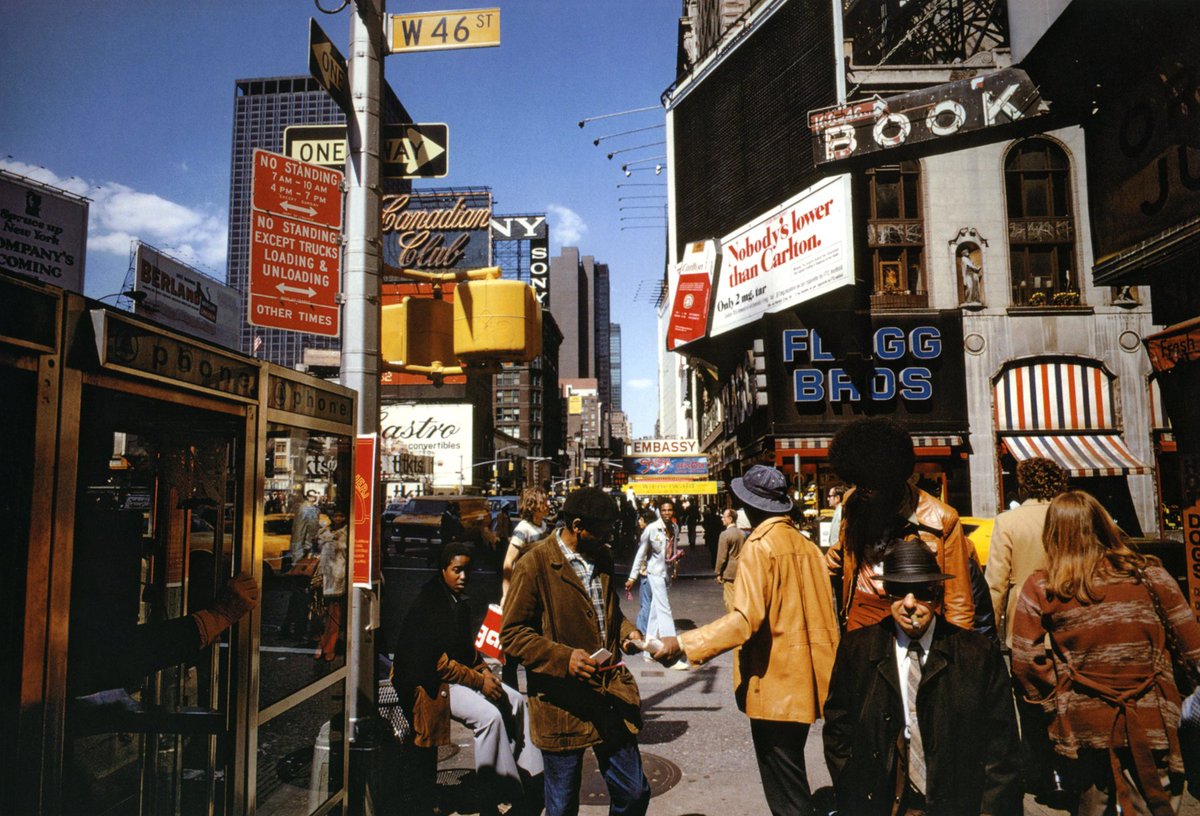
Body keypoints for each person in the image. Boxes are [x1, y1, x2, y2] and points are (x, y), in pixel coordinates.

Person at [652, 465, 840, 816]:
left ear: (751, 507)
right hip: (809, 681)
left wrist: (684, 644)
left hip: (774, 685)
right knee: (792, 775)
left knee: (786, 793)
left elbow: (744, 620)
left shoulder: (759, 546)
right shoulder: (808, 546)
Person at [1012, 491, 1200, 816]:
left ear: (1053, 534)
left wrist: (1052, 703)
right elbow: (1193, 646)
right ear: (1103, 525)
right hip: (1153, 714)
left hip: (1082, 724)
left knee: (1091, 806)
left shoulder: (1044, 586)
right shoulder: (1150, 575)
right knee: (1156, 804)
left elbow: (1026, 661)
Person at [823, 538, 1022, 815]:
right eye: (898, 591)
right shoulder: (857, 649)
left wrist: (988, 810)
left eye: (921, 592)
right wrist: (853, 790)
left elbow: (1002, 747)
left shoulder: (977, 655)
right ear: (887, 592)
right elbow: (838, 729)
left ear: (937, 593)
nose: (909, 604)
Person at [501, 487, 650, 816]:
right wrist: (564, 658)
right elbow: (511, 634)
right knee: (561, 805)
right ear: (578, 525)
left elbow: (611, 613)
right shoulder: (534, 564)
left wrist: (628, 635)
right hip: (562, 704)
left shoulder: (604, 557)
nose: (609, 536)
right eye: (603, 530)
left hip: (608, 695)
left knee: (634, 791)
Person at [396, 542, 543, 816]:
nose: (463, 577)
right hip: (430, 684)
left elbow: (466, 650)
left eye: (467, 570)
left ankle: (530, 776)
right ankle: (494, 793)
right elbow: (439, 665)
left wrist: (485, 672)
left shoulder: (458, 600)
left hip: (454, 677)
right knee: (489, 718)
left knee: (515, 701)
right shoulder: (429, 603)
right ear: (443, 570)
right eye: (456, 570)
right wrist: (479, 682)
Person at [825, 417, 977, 632]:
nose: (863, 491)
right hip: (862, 611)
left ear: (891, 479)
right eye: (859, 484)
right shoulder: (854, 502)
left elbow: (959, 598)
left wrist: (958, 648)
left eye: (871, 486)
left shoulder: (941, 518)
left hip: (913, 611)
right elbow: (840, 554)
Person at [986, 457, 1071, 799]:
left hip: (1025, 625)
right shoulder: (1070, 518)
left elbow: (995, 583)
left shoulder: (1008, 521)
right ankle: (1067, 770)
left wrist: (988, 633)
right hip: (1069, 617)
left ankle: (1041, 773)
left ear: (1024, 485)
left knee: (1032, 702)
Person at [625, 499, 686, 670]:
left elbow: (673, 550)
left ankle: (648, 653)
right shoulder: (651, 529)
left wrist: (675, 567)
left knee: (653, 612)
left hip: (666, 573)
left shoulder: (674, 528)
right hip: (654, 573)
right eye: (664, 510)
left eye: (670, 510)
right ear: (660, 511)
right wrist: (632, 577)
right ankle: (671, 652)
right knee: (664, 608)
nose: (667, 513)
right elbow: (640, 554)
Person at [501, 487, 551, 687]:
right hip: (522, 590)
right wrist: (507, 595)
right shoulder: (523, 529)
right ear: (533, 506)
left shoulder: (543, 526)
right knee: (514, 643)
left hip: (538, 590)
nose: (547, 505)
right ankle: (509, 691)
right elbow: (508, 563)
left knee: (536, 640)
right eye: (544, 502)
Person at [315, 510, 348, 661]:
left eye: (341, 515)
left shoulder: (347, 532)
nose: (338, 518)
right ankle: (322, 644)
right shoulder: (325, 530)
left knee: (334, 613)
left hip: (338, 577)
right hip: (324, 575)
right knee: (321, 613)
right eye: (335, 515)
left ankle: (329, 646)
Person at [713, 508, 745, 613]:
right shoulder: (742, 534)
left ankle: (734, 623)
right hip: (741, 570)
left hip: (729, 572)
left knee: (730, 600)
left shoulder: (725, 534)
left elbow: (721, 556)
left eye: (724, 517)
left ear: (730, 519)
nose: (722, 519)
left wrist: (718, 572)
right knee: (740, 599)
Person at [632, 509, 657, 638]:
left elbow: (641, 556)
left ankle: (643, 630)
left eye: (641, 520)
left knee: (646, 602)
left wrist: (633, 576)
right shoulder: (657, 532)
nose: (639, 522)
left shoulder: (646, 534)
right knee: (651, 602)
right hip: (654, 573)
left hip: (646, 572)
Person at [288, 489, 320, 564]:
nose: (314, 498)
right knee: (303, 564)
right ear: (308, 497)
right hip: (305, 540)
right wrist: (314, 537)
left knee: (296, 562)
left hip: (298, 539)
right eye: (312, 496)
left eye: (315, 496)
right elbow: (313, 527)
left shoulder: (302, 507)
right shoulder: (310, 508)